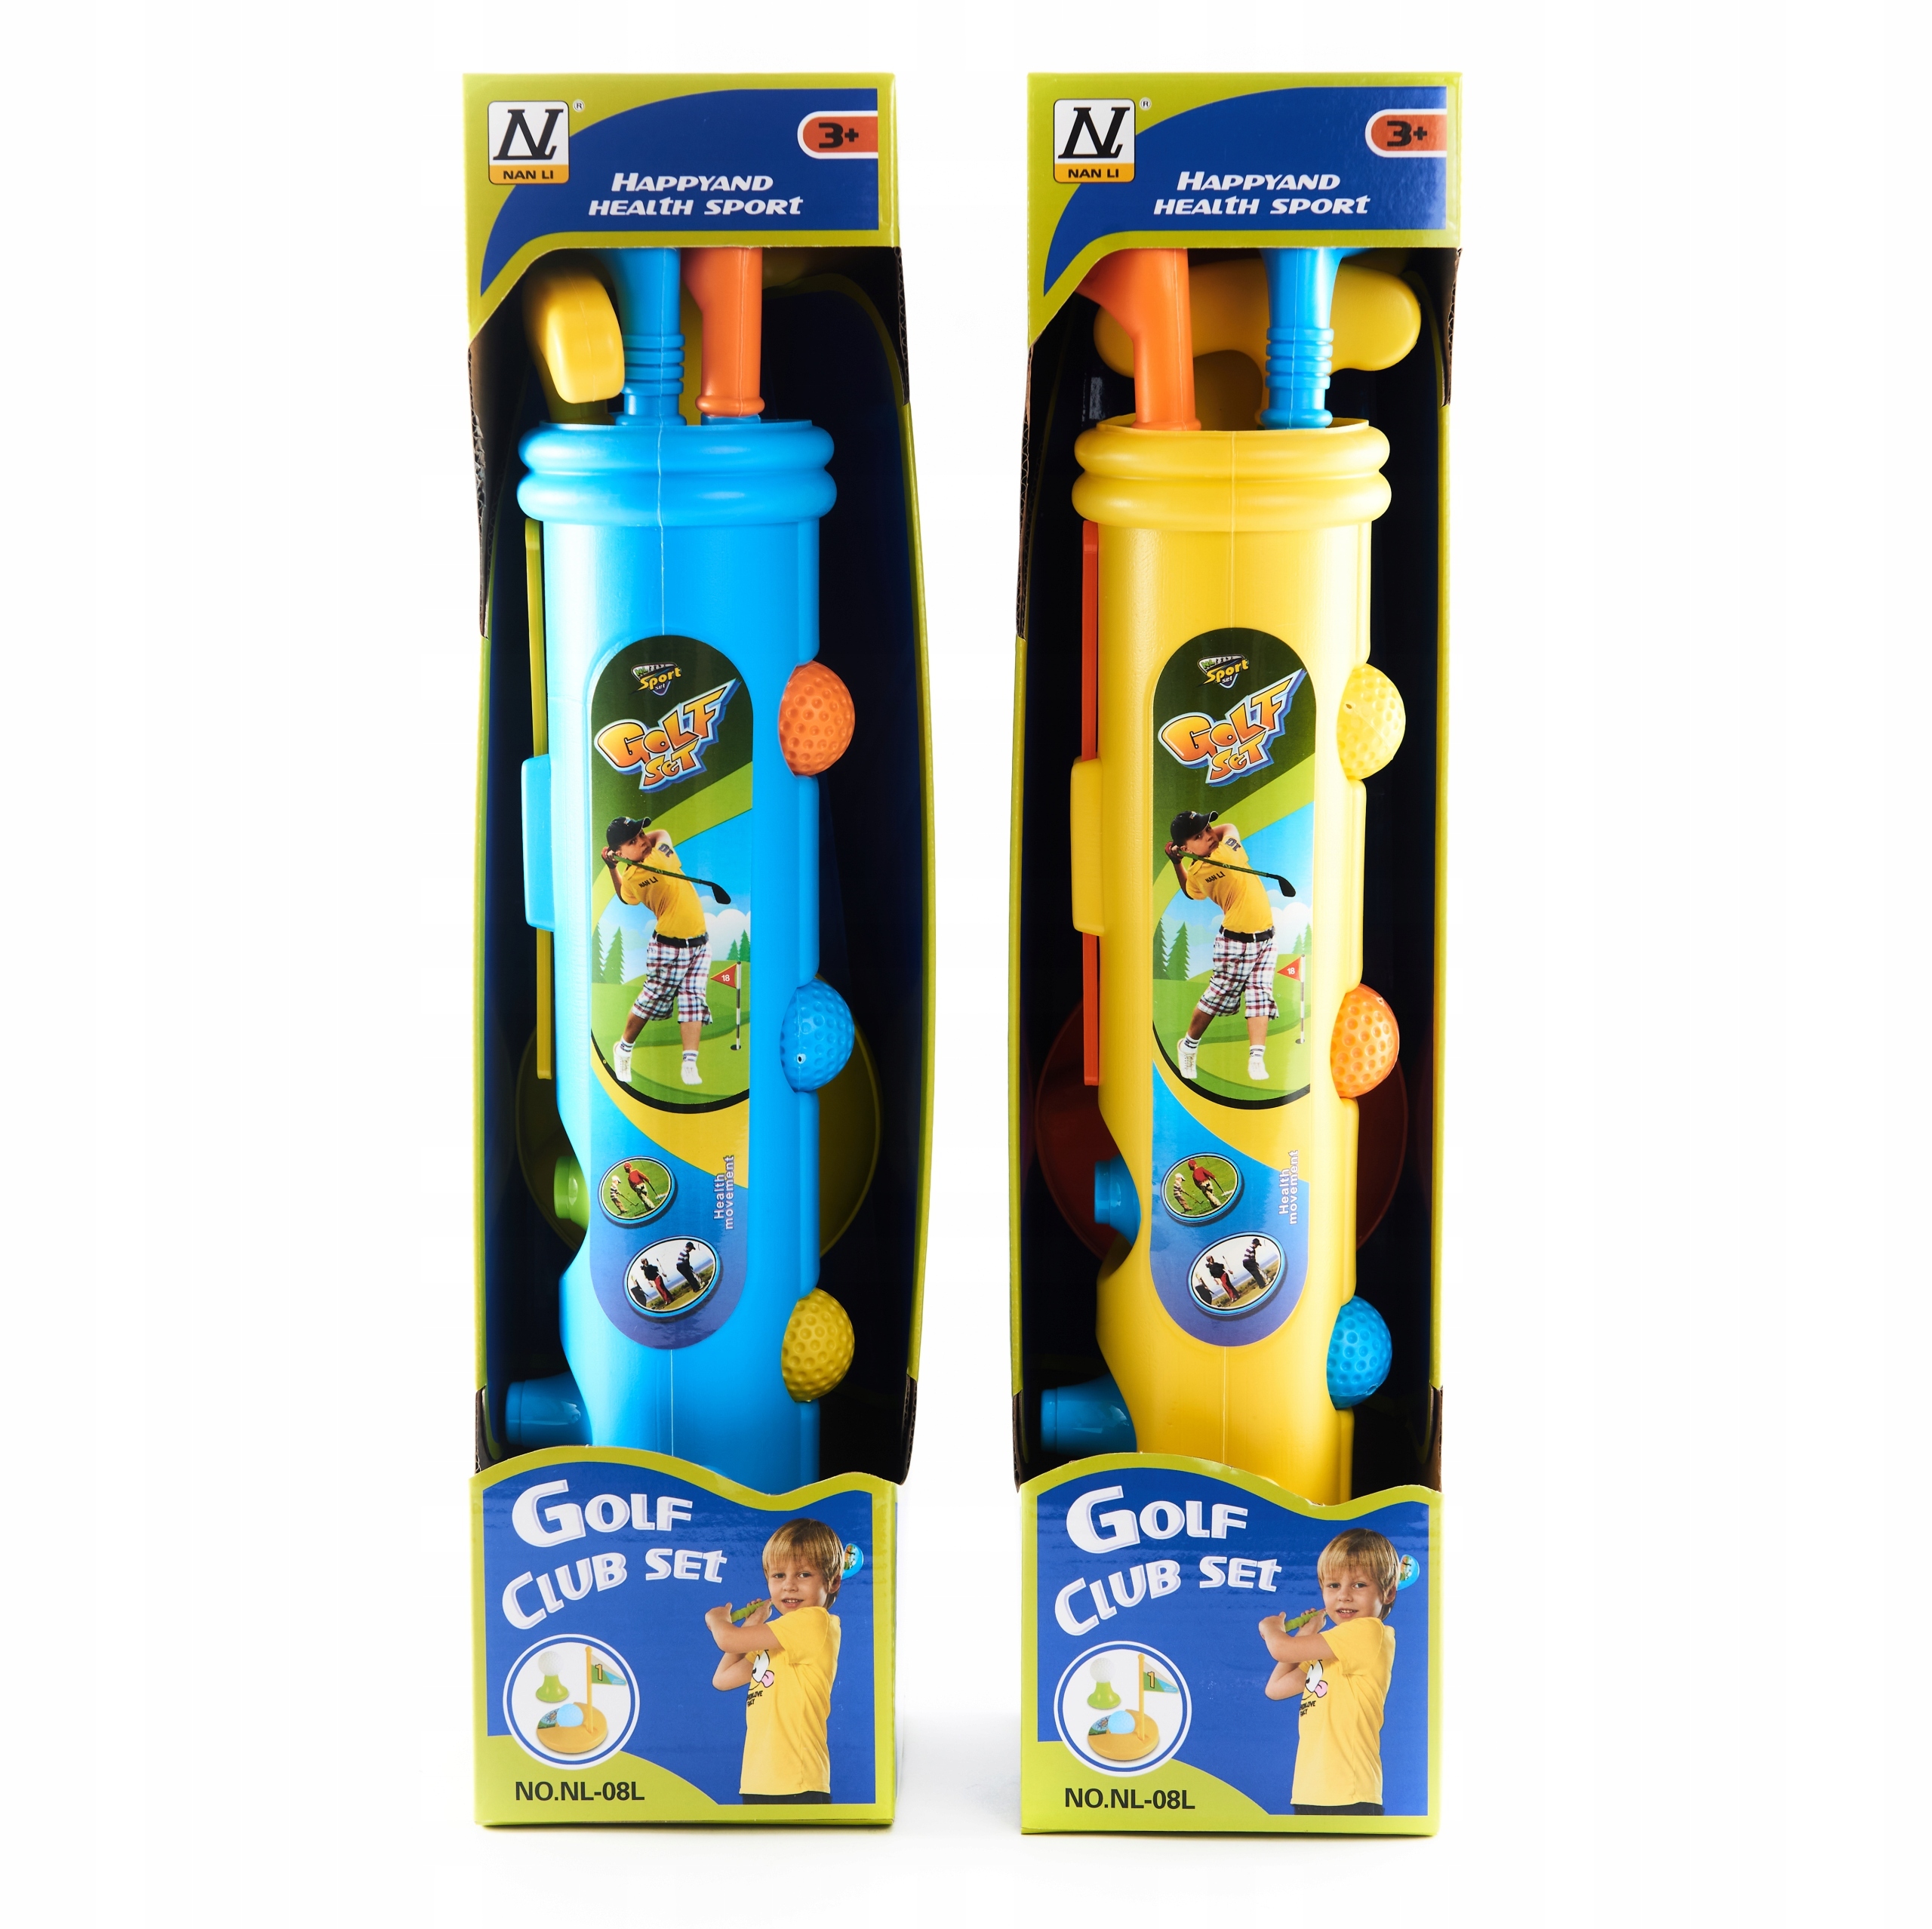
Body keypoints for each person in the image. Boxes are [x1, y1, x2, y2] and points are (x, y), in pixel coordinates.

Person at [1257, 1528, 1400, 1816]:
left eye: (1359, 1585)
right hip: (1310, 1790)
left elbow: (1281, 1649)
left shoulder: (1368, 1631)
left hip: (1350, 1793)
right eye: (1334, 1585)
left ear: (1387, 1593)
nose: (1344, 1596)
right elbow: (1276, 1688)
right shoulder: (1330, 1650)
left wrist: (1271, 1629)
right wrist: (1306, 1634)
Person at [705, 1517, 845, 1803]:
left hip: (798, 1781)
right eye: (779, 1575)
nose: (789, 1586)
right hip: (758, 1781)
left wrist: (718, 1621)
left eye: (804, 1574)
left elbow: (727, 1639)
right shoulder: (776, 1640)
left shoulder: (813, 1621)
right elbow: (723, 1678)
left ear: (832, 1582)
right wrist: (751, 1626)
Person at [1164, 812, 1281, 1084]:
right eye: (1199, 836)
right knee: (1216, 997)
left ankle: (1256, 1057)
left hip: (1266, 938)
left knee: (1260, 995)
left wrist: (1178, 861)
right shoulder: (1227, 853)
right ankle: (1188, 1045)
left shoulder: (1197, 871)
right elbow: (1230, 827)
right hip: (1236, 943)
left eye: (1207, 829)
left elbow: (1189, 891)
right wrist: (1185, 856)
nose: (1209, 836)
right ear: (1186, 847)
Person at [601, 816, 709, 1089]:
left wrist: (614, 866)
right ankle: (624, 1048)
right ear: (620, 852)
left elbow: (625, 896)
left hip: (699, 943)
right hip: (669, 947)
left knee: (693, 1000)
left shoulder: (633, 874)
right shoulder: (660, 858)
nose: (642, 841)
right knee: (650, 1000)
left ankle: (689, 1062)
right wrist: (621, 860)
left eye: (641, 834)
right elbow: (662, 834)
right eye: (633, 841)